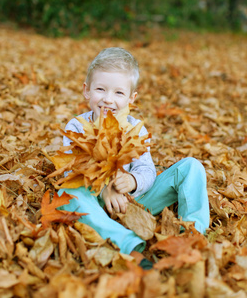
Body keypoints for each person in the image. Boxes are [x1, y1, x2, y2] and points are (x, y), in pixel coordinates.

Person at [57, 47, 209, 268]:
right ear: (87, 91)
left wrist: (134, 181)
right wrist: (104, 186)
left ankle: (194, 235)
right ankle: (128, 245)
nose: (108, 99)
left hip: (135, 201)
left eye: (118, 93)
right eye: (100, 89)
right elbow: (72, 170)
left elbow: (147, 170)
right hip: (94, 202)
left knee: (192, 167)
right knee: (65, 193)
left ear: (131, 98)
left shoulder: (136, 129)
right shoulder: (77, 127)